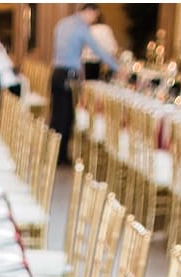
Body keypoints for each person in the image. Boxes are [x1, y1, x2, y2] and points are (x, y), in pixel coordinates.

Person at [51, 3, 117, 165]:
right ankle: (61, 157)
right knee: (66, 116)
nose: (94, 20)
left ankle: (52, 152)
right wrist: (117, 67)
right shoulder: (81, 28)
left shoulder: (62, 23)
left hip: (56, 73)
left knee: (56, 114)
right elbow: (99, 51)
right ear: (89, 12)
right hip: (68, 75)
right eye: (94, 16)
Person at [80, 16, 118, 81]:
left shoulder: (86, 28)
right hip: (97, 63)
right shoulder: (105, 28)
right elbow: (113, 48)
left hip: (84, 62)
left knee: (87, 86)